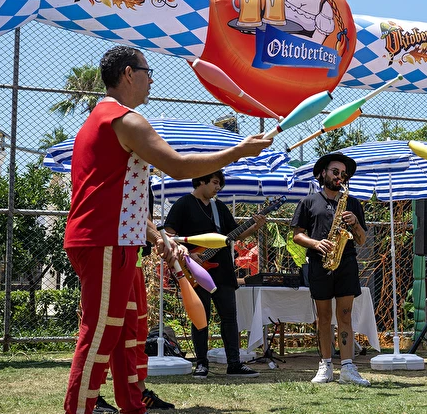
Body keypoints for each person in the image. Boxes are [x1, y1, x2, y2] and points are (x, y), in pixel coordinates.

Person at [63, 45, 272, 414]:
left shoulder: (99, 121)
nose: (152, 80)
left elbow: (117, 198)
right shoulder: (125, 120)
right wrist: (237, 152)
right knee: (101, 332)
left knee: (129, 330)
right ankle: (79, 408)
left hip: (116, 240)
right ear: (129, 74)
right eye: (148, 72)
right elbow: (177, 167)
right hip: (107, 242)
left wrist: (158, 236)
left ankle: (133, 404)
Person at [163, 171, 265, 379]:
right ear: (201, 181)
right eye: (215, 183)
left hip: (223, 271)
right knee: (201, 317)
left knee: (229, 318)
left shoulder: (219, 208)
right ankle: (201, 363)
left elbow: (235, 234)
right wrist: (188, 255)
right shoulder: (183, 204)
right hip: (195, 270)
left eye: (220, 184)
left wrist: (256, 226)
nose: (218, 188)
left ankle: (234, 364)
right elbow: (169, 235)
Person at [291, 153, 370, 386]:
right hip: (320, 263)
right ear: (323, 173)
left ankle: (347, 367)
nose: (339, 177)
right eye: (335, 172)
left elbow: (362, 240)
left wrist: (355, 223)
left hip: (346, 263)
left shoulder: (352, 203)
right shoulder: (308, 202)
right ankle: (325, 365)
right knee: (323, 317)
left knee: (345, 316)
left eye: (343, 174)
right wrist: (316, 244)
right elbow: (297, 235)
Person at [94, 188, 175, 414]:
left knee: (137, 333)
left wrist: (159, 238)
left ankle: (138, 392)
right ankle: (93, 396)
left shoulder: (142, 178)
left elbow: (141, 216)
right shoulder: (119, 173)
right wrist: (159, 238)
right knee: (102, 332)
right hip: (111, 258)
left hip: (134, 262)